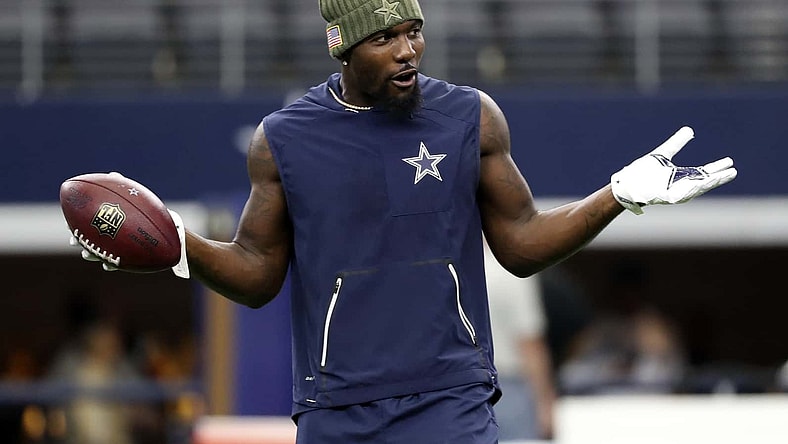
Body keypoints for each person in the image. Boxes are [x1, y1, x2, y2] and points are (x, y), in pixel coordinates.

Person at [70, 0, 737, 442]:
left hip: (450, 398)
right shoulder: (283, 139)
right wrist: (176, 245)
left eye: (413, 31)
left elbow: (523, 245)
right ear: (343, 46)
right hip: (337, 410)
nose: (407, 50)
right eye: (383, 37)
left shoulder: (471, 116)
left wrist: (615, 197)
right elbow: (255, 275)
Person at [483, 239, 555, 441]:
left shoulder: (450, 272)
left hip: (466, 388)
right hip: (510, 389)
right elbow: (530, 344)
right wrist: (545, 406)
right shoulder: (512, 272)